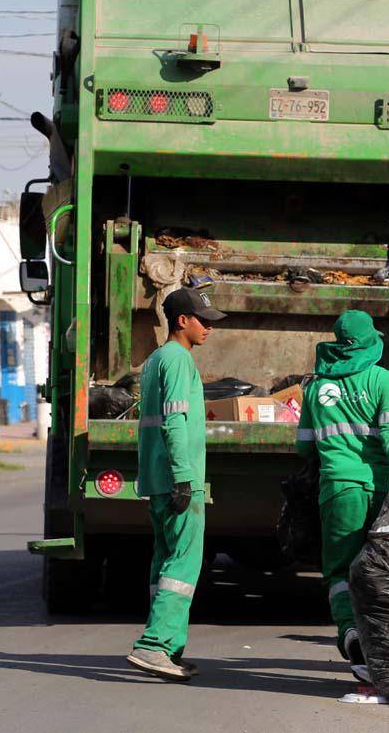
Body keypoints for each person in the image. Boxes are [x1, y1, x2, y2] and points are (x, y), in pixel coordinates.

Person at [296, 310, 389, 681]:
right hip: (382, 491)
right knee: (385, 570)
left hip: (338, 488)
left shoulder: (315, 388)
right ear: (372, 341)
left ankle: (351, 630)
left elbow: (304, 447)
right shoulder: (387, 381)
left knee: (340, 570)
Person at [127, 288, 226, 681]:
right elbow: (174, 422)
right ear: (182, 320)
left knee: (165, 566)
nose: (209, 330)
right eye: (204, 321)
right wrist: (185, 479)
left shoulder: (154, 361)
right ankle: (155, 645)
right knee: (184, 563)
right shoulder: (179, 360)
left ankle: (167, 647)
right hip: (177, 479)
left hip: (155, 479)